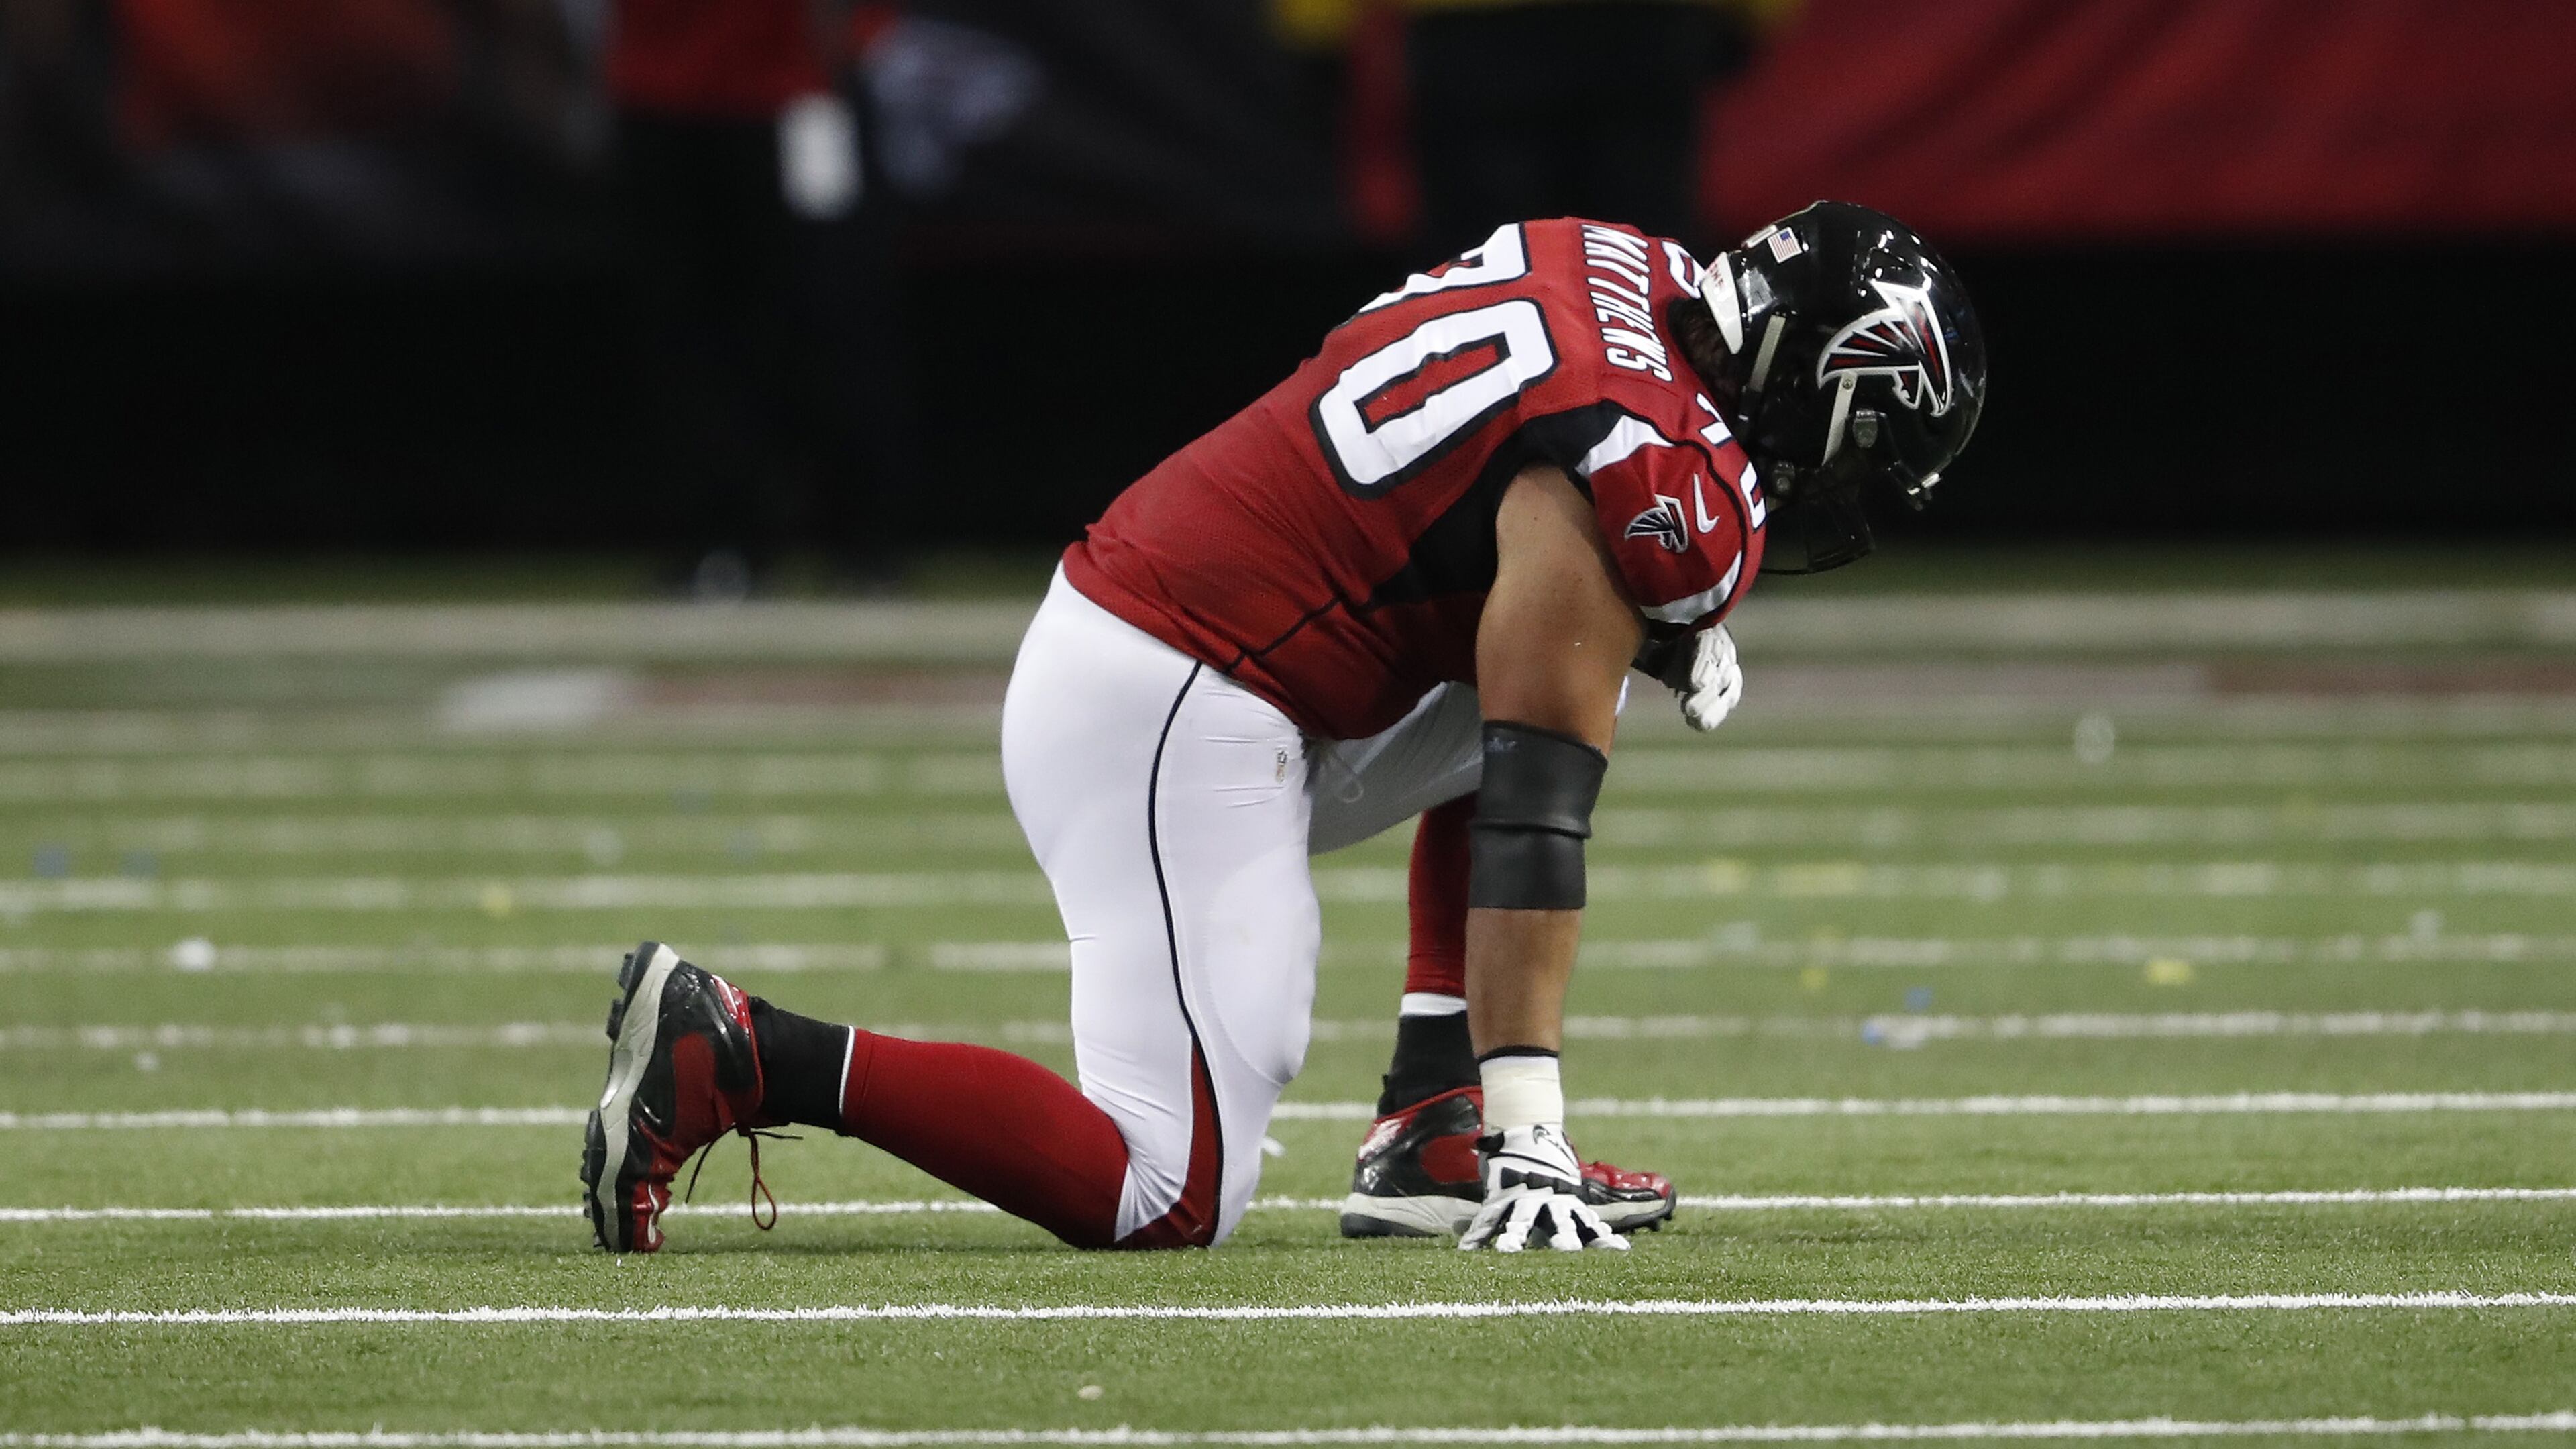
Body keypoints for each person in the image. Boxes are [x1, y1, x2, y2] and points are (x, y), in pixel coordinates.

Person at [581, 200, 1986, 1254]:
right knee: (1165, 1193)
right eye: (1865, 444)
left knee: (1574, 649)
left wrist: (1637, 623)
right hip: (1165, 687)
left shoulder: (1625, 261)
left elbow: (1502, 519)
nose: (1841, 484)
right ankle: (746, 1051)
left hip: (1220, 654)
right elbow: (1537, 809)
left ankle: (1432, 1133)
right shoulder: (1650, 473)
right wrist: (1540, 1131)